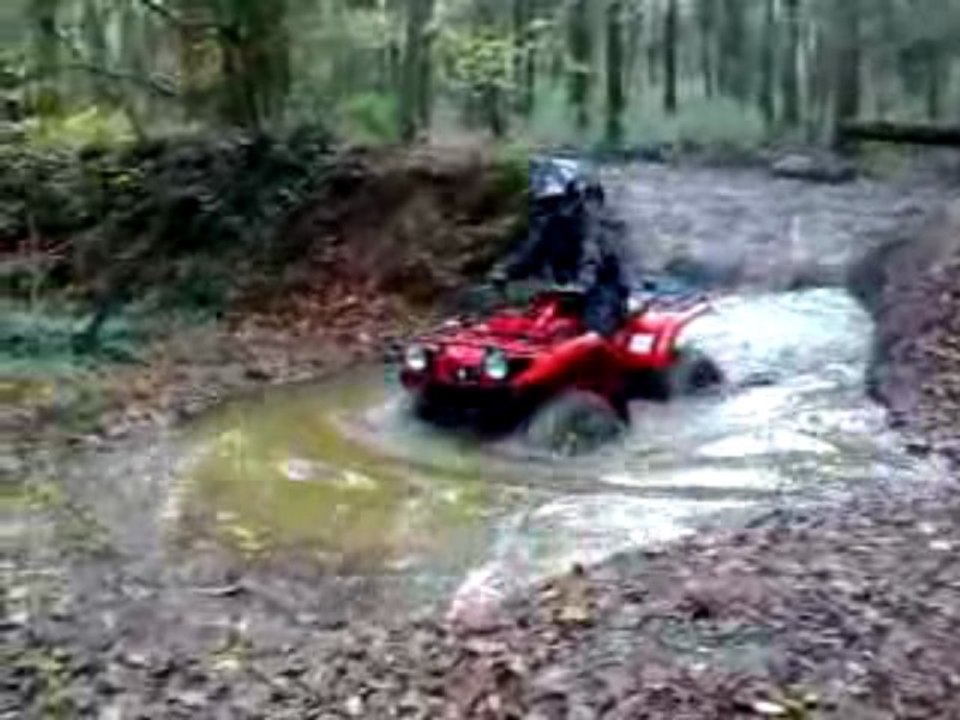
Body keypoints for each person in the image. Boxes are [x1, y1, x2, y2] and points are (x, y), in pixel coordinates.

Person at [489, 157, 629, 337]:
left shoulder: (598, 220)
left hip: (603, 288)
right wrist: (507, 271)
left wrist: (584, 282)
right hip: (563, 288)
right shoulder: (550, 222)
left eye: (555, 200)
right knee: (521, 323)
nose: (550, 206)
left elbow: (592, 254)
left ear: (574, 196)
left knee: (595, 332)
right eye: (547, 201)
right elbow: (531, 252)